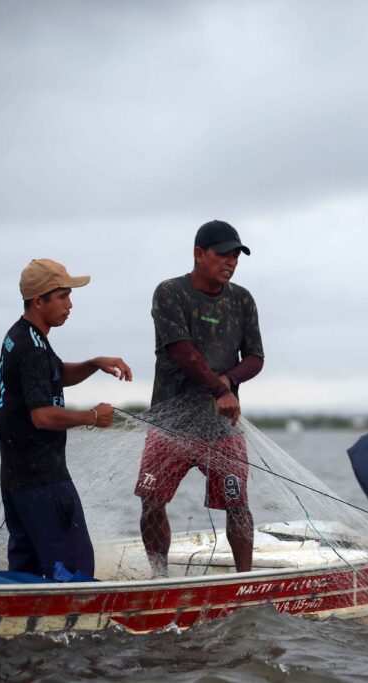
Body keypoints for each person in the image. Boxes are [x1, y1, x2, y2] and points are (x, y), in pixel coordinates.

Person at [135, 220, 265, 575]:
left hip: (222, 426)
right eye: (223, 254)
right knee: (152, 501)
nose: (231, 261)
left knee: (239, 503)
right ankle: (159, 576)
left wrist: (230, 379)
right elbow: (182, 351)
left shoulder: (242, 300)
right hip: (169, 423)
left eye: (236, 255)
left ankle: (243, 579)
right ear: (199, 254)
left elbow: (255, 358)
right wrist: (220, 389)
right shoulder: (170, 293)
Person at [0, 258, 133, 579]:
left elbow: (55, 375)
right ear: (38, 300)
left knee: (26, 574)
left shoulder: (23, 337)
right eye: (62, 297)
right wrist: (93, 416)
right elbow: (42, 416)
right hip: (44, 481)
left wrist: (95, 363)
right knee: (76, 570)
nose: (70, 305)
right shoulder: (32, 349)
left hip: (17, 481)